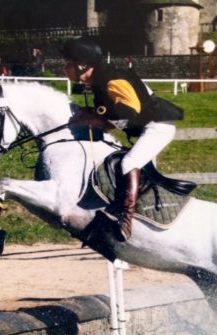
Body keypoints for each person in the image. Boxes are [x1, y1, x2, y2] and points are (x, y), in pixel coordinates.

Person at [63, 37, 183, 242]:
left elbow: (130, 112)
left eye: (68, 64)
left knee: (128, 162)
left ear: (82, 65)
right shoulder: (99, 81)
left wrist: (95, 119)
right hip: (147, 126)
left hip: (158, 127)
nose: (65, 69)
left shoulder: (111, 80)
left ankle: (124, 220)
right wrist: (95, 116)